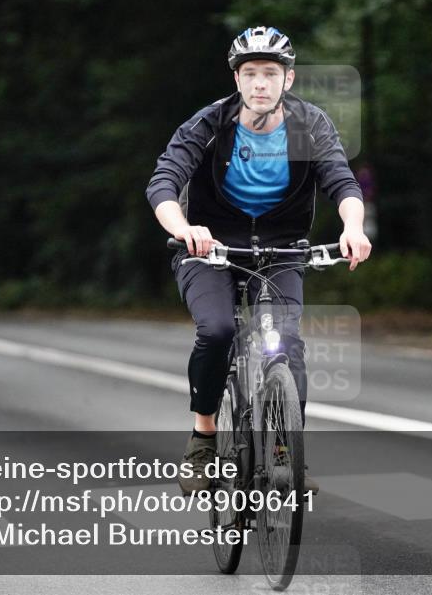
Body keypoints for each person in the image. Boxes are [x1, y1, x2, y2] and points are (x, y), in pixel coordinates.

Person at [145, 26, 372, 494]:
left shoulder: (310, 125)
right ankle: (203, 437)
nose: (261, 83)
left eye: (271, 73)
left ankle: (288, 453)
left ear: (288, 80)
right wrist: (184, 228)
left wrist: (352, 227)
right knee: (218, 331)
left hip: (282, 247)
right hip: (208, 247)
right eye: (251, 73)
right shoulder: (209, 124)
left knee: (286, 343)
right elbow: (164, 182)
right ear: (237, 80)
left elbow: (341, 181)